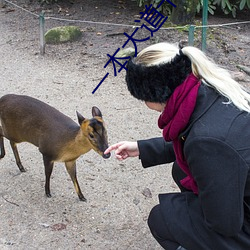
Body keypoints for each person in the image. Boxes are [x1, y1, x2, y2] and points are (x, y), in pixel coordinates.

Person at [104, 42, 250, 250]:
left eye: (143, 98)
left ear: (155, 93)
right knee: (181, 170)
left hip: (241, 222)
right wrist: (142, 148)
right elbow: (194, 139)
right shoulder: (209, 88)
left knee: (162, 218)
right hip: (241, 187)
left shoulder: (207, 142)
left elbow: (225, 224)